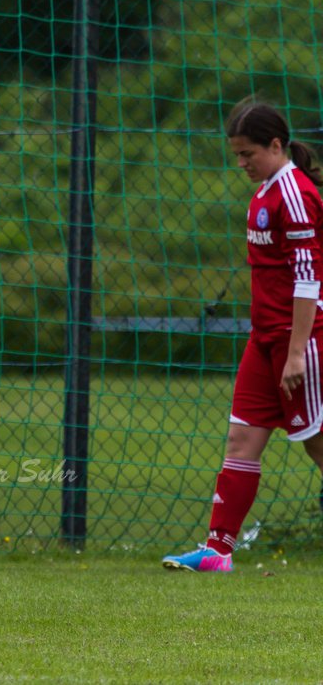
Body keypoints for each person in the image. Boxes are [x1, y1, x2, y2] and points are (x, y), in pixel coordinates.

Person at [163, 98, 323, 572]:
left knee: (317, 444)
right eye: (236, 155)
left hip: (302, 339)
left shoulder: (294, 193)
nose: (241, 164)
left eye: (248, 154)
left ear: (276, 145)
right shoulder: (266, 190)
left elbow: (307, 280)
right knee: (240, 441)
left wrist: (296, 354)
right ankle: (217, 552)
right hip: (265, 339)